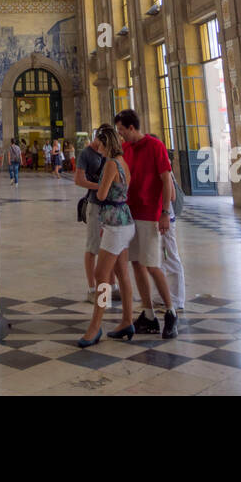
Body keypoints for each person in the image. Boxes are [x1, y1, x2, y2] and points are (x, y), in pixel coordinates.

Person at [116, 109, 178, 339]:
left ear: (132, 128)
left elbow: (165, 180)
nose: (121, 135)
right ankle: (149, 314)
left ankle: (170, 312)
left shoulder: (154, 146)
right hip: (130, 214)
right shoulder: (126, 148)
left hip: (150, 214)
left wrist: (164, 212)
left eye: (122, 130)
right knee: (136, 264)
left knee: (152, 265)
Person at [78, 124, 137, 347]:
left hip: (115, 225)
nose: (98, 148)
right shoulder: (123, 162)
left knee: (101, 275)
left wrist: (99, 183)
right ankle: (126, 321)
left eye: (100, 145)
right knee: (122, 274)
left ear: (106, 143)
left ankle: (95, 327)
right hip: (124, 220)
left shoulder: (111, 164)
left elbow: (102, 195)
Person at [75, 129, 108, 302]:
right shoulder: (86, 154)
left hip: (112, 208)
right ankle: (93, 289)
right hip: (95, 205)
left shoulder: (110, 155)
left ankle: (110, 288)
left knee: (110, 249)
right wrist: (100, 186)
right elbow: (78, 180)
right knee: (93, 247)